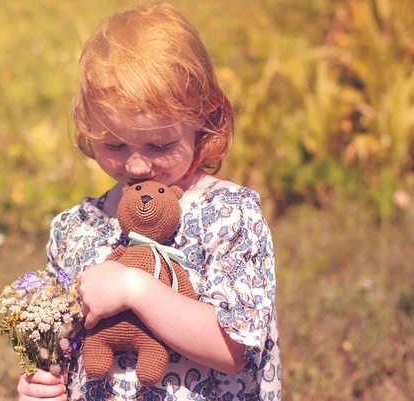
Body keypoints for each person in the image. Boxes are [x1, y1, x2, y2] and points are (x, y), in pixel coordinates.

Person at [17, 2, 281, 400]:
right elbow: (64, 345)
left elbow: (232, 347)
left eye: (159, 144)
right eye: (115, 145)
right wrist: (43, 385)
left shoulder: (229, 215)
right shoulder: (77, 228)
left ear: (204, 121)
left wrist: (134, 289)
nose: (137, 165)